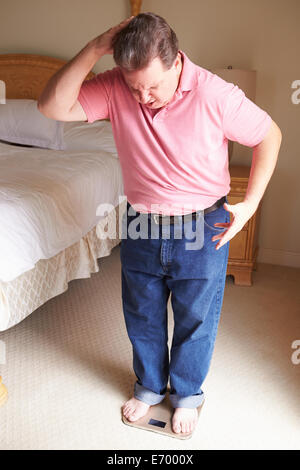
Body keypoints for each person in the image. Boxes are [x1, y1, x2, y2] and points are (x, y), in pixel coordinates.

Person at [38, 13, 282, 435]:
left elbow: (270, 135)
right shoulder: (117, 85)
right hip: (142, 223)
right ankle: (150, 385)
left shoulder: (215, 94)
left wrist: (251, 203)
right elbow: (51, 106)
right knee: (142, 314)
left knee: (195, 318)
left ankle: (187, 394)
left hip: (202, 224)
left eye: (153, 85)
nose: (144, 96)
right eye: (136, 87)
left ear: (176, 63)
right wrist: (97, 46)